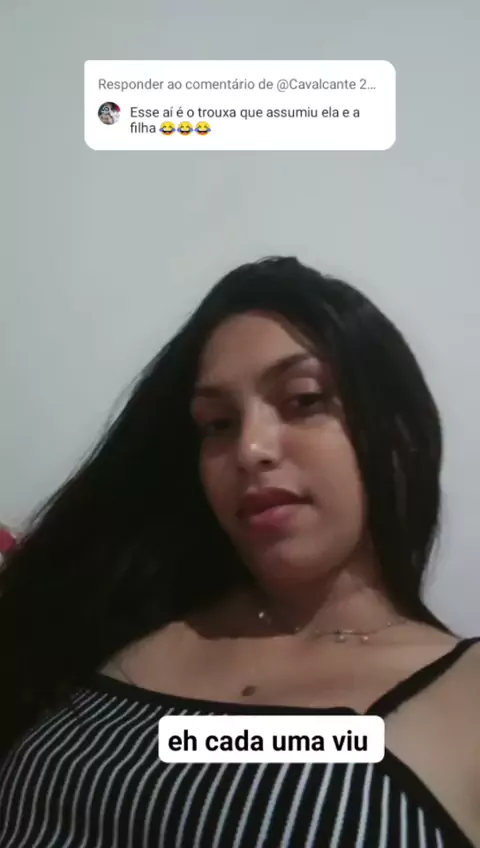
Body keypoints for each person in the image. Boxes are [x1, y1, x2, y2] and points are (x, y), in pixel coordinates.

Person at [0, 256, 478, 848]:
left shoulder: (465, 694)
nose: (249, 449)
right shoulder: (118, 613)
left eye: (304, 399)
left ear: (400, 431)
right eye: (218, 424)